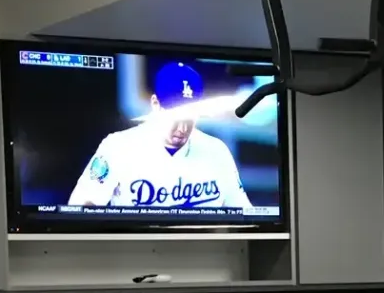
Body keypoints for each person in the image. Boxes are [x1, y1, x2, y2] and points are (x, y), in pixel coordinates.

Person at [65, 62, 253, 209]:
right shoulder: (117, 147)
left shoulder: (216, 151)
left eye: (190, 117)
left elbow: (244, 212)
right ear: (155, 104)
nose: (181, 128)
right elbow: (81, 205)